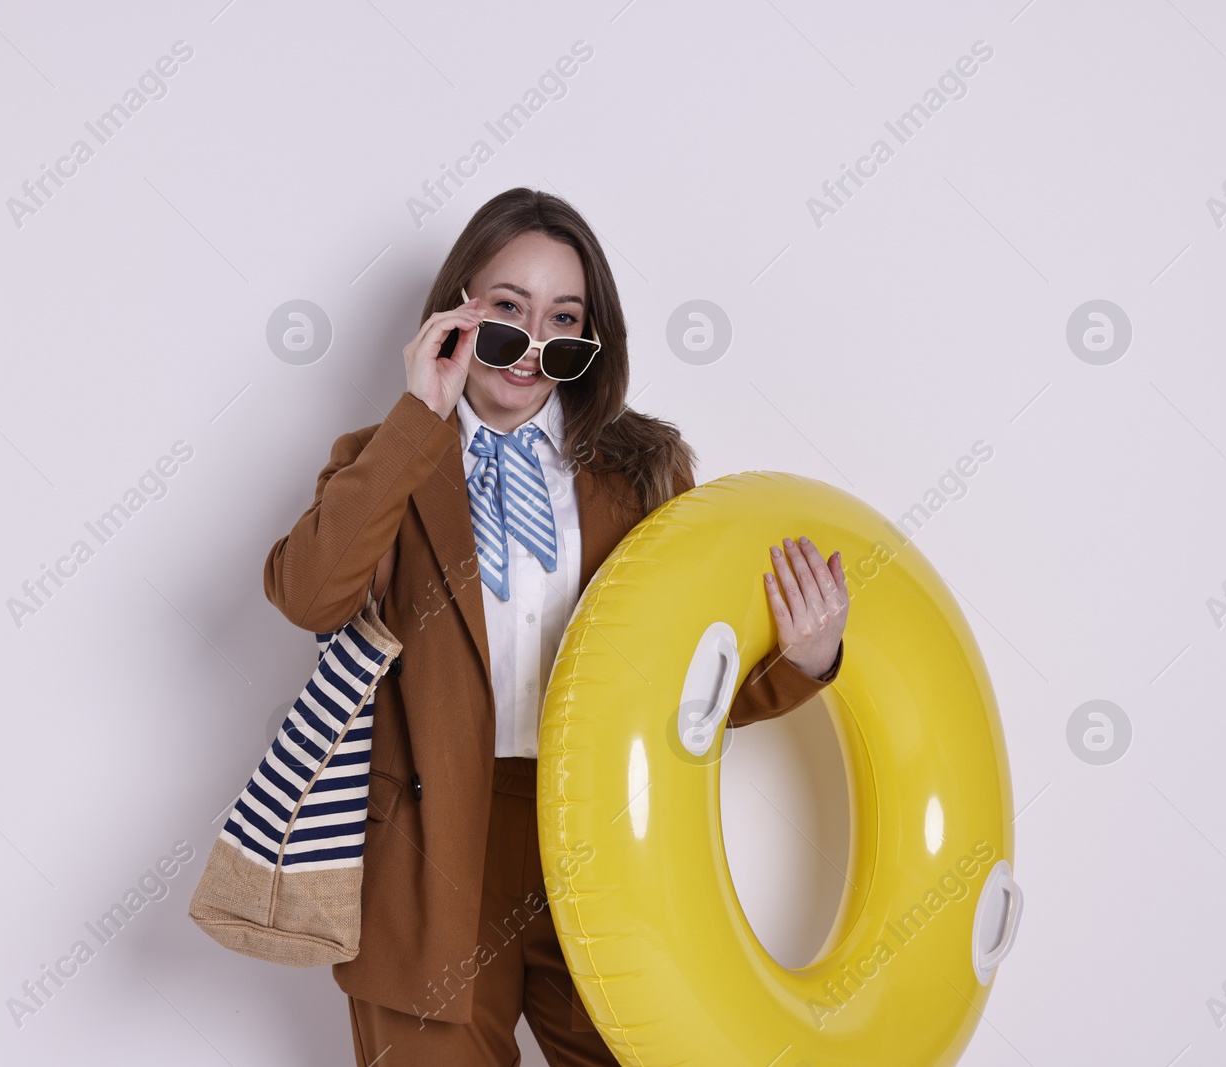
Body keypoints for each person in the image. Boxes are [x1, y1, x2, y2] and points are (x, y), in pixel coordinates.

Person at [263, 187, 848, 1067]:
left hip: (603, 842)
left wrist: (806, 658)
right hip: (430, 858)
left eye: (562, 320)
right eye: (507, 310)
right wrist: (419, 418)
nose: (531, 346)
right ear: (457, 310)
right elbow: (308, 593)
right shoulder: (378, 457)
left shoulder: (644, 474)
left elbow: (691, 685)